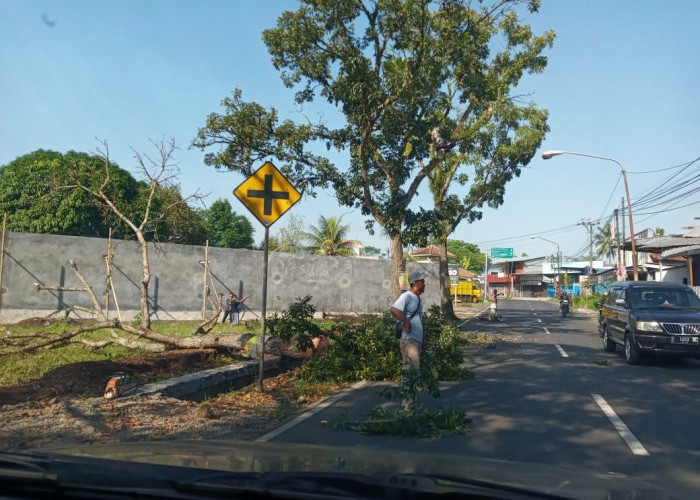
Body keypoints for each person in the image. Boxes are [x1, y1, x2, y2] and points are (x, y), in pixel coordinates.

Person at [390, 271, 426, 409]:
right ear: (415, 284)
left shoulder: (418, 299)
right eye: (422, 282)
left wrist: (424, 339)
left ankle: (413, 400)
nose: (424, 284)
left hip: (416, 339)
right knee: (410, 369)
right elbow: (394, 310)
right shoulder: (407, 296)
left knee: (415, 369)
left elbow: (420, 320)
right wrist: (406, 321)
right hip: (409, 339)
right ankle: (407, 402)